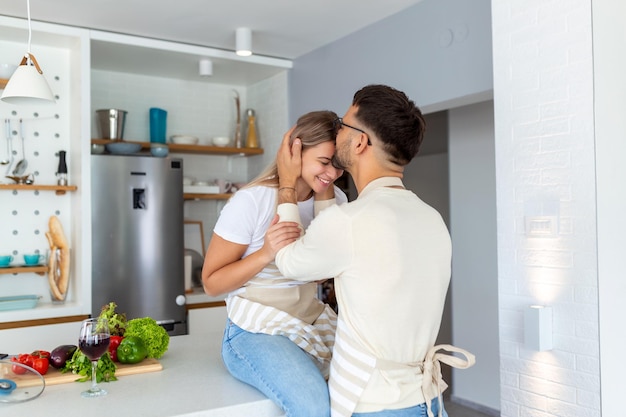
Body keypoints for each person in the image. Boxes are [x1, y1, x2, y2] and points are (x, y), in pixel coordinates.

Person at [268, 85, 475, 417]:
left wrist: (287, 183)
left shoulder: (349, 221)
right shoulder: (431, 217)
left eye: (343, 124)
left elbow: (290, 264)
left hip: (378, 406)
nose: (337, 133)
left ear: (360, 141)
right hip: (428, 401)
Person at [201, 110, 347, 417]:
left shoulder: (338, 201)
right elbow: (211, 283)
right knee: (314, 406)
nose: (332, 174)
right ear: (295, 150)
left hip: (309, 324)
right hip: (255, 331)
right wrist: (266, 252)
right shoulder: (251, 201)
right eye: (324, 162)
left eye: (338, 166)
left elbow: (325, 267)